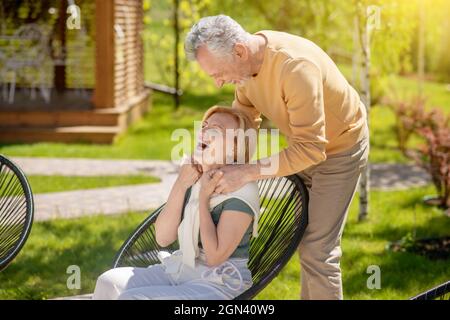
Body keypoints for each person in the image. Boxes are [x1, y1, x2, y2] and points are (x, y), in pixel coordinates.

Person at [184, 15, 370, 299]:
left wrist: (246, 172)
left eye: (218, 73)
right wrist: (221, 162)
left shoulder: (295, 68)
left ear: (239, 51)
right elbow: (244, 121)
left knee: (318, 251)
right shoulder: (246, 67)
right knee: (305, 243)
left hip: (340, 149)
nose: (220, 83)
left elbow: (311, 148)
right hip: (304, 145)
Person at [92, 106, 260, 300]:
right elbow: (163, 238)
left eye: (216, 129)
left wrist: (204, 199)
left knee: (132, 298)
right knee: (108, 282)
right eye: (204, 126)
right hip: (182, 268)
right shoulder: (194, 175)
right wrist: (181, 183)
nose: (204, 131)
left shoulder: (242, 190)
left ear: (235, 147)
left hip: (218, 283)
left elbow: (214, 257)